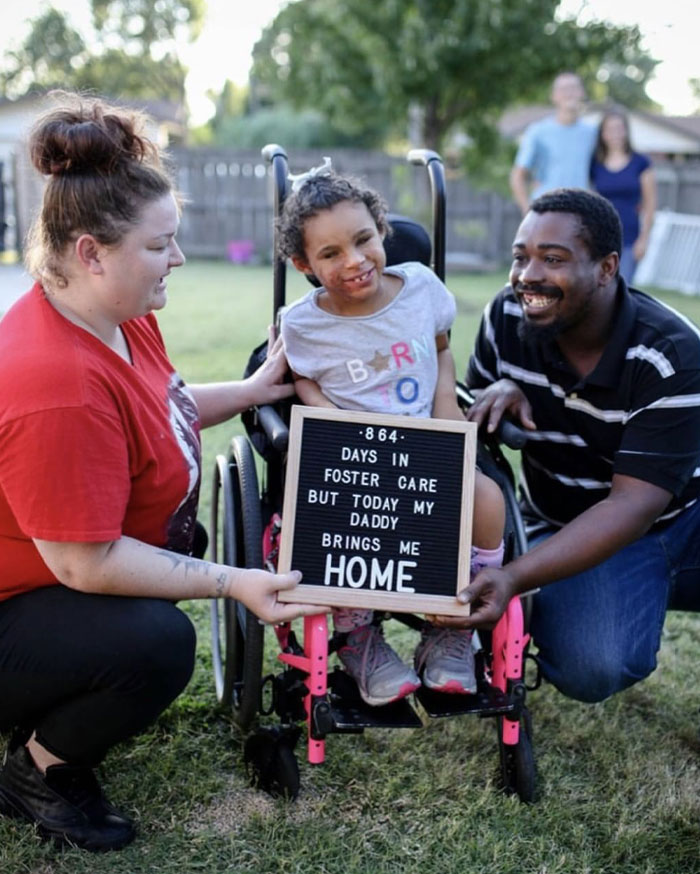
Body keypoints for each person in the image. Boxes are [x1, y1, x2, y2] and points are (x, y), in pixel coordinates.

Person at [0, 92, 326, 853]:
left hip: (36, 586)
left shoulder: (117, 314)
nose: (177, 259)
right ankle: (38, 769)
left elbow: (163, 410)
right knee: (153, 643)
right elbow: (86, 564)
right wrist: (232, 580)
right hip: (32, 590)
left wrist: (249, 392)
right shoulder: (54, 384)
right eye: (161, 245)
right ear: (90, 251)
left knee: (162, 583)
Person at [276, 165, 506, 708]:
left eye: (363, 240)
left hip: (429, 447)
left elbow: (444, 346)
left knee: (488, 499)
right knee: (337, 525)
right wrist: (327, 415)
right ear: (304, 264)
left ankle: (453, 626)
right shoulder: (303, 324)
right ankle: (358, 637)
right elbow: (302, 376)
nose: (354, 261)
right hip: (357, 458)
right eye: (330, 254)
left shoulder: (421, 289)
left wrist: (446, 403)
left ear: (381, 230)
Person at [459, 187, 700, 705]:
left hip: (678, 522)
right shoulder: (505, 318)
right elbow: (469, 422)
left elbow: (632, 507)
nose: (528, 275)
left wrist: (514, 576)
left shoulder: (669, 355)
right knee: (589, 666)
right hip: (558, 518)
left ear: (607, 268)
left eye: (553, 259)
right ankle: (566, 593)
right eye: (521, 257)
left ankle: (572, 587)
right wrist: (494, 392)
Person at [510, 72, 597, 215]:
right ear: (553, 96)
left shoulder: (592, 133)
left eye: (573, 88)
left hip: (582, 212)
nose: (569, 93)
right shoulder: (537, 131)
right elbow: (517, 176)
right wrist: (528, 212)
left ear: (582, 92)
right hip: (546, 211)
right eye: (563, 89)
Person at [590, 107, 656, 283]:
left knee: (622, 288)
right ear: (602, 134)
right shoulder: (594, 164)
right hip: (600, 237)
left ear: (626, 131)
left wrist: (644, 239)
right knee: (600, 289)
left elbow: (650, 204)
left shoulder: (641, 162)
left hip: (629, 238)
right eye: (609, 129)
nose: (615, 134)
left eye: (619, 128)